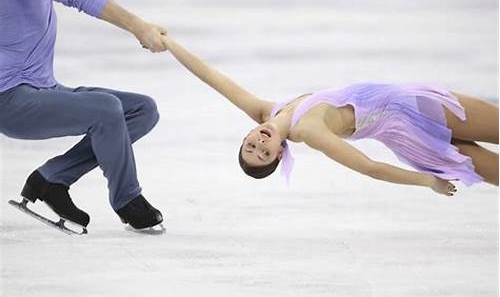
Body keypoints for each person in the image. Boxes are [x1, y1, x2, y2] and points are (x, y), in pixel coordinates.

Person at [161, 35, 498, 195]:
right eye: (265, 155)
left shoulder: (265, 111)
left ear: (246, 136)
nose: (259, 145)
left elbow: (212, 77)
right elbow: (369, 167)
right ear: (280, 153)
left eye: (251, 147)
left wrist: (168, 42)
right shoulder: (308, 129)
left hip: (410, 119)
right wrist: (427, 181)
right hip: (415, 113)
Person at [0, 0, 168, 230]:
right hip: (8, 98)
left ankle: (52, 177)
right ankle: (128, 200)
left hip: (43, 86)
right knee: (106, 109)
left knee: (142, 110)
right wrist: (138, 26)